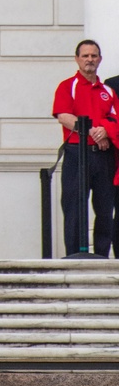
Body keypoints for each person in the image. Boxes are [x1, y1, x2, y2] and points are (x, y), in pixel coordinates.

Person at [52, 39, 118, 256]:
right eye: (85, 55)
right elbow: (64, 116)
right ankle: (73, 255)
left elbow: (115, 118)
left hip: (103, 157)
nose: (90, 59)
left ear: (99, 59)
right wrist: (93, 132)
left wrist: (106, 131)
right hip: (76, 154)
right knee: (74, 206)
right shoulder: (67, 86)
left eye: (94, 55)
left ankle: (100, 254)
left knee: (105, 207)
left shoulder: (108, 91)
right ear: (77, 59)